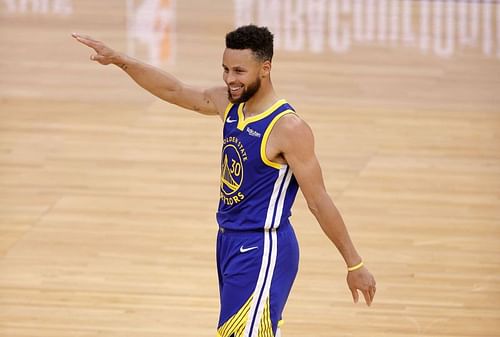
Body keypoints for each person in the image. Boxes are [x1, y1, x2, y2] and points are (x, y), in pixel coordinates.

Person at [72, 25, 376, 337]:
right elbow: (174, 91)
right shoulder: (230, 104)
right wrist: (121, 60)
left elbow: (319, 201)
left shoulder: (288, 128)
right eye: (226, 69)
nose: (230, 79)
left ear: (265, 68)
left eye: (239, 71)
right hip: (229, 241)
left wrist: (354, 264)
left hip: (263, 246)